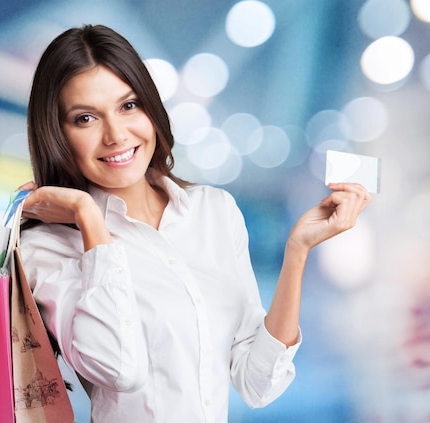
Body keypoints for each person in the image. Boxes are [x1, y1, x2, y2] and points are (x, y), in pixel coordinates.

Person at [18, 24, 371, 422]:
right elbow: (119, 370)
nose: (116, 134)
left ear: (150, 107)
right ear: (57, 134)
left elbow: (258, 384)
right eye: (85, 118)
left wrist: (298, 250)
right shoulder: (47, 247)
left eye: (128, 105)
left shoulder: (213, 211)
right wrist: (88, 219)